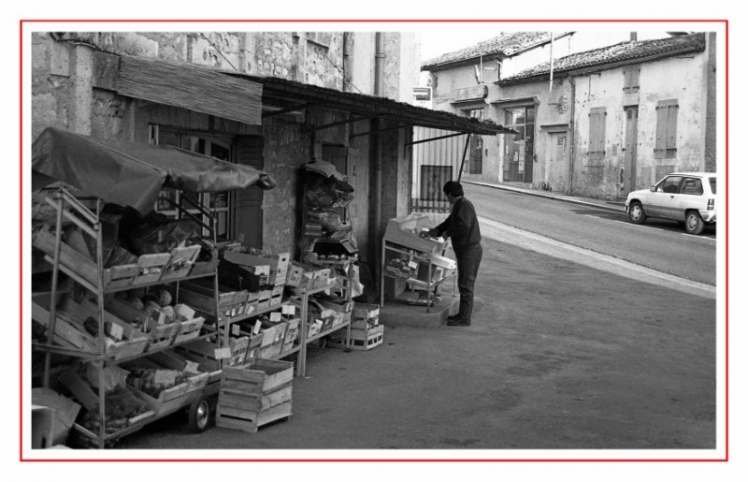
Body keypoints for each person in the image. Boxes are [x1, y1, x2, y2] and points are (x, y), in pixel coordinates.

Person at [426, 180, 483, 327]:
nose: (446, 198)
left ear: (450, 194)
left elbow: (462, 226)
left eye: (446, 195)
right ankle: (462, 315)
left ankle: (464, 318)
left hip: (470, 250)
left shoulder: (464, 205)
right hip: (466, 250)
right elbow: (449, 222)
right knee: (464, 283)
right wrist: (434, 231)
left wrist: (447, 233)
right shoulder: (459, 205)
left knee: (466, 284)